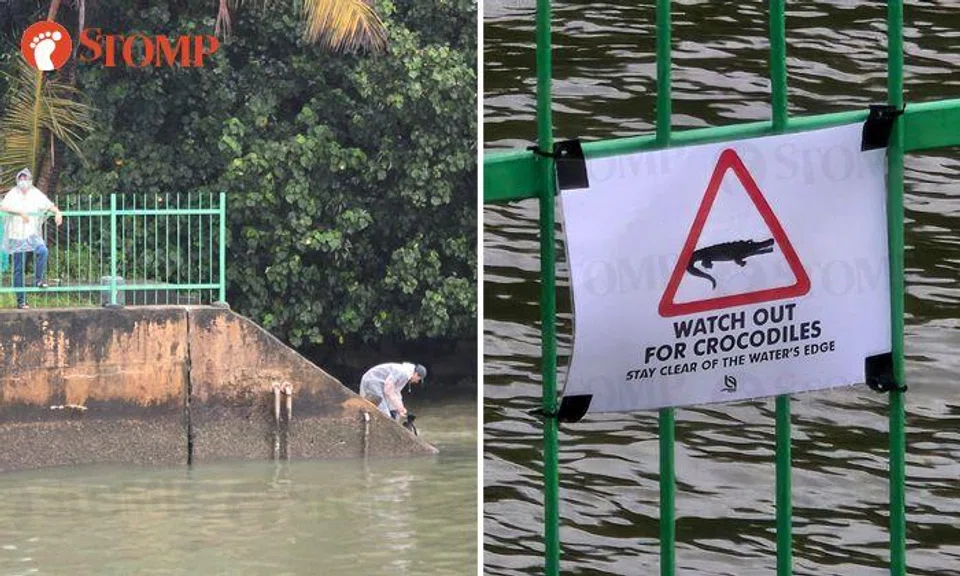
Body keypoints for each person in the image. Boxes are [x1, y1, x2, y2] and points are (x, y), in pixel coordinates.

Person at [1, 168, 62, 309]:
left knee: (42, 251)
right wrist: (19, 212)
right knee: (18, 269)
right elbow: (3, 206)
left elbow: (49, 205)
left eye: (25, 178)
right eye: (20, 179)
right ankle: (21, 300)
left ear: (30, 180)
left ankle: (38, 279)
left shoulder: (35, 194)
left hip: (31, 234)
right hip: (16, 236)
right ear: (17, 180)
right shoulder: (13, 194)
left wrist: (58, 212)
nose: (23, 181)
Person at [358, 362, 427, 421]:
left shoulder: (405, 372)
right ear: (416, 374)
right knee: (385, 415)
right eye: (419, 379)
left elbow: (396, 392)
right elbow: (388, 390)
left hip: (376, 383)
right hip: (372, 381)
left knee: (392, 412)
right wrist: (399, 408)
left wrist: (400, 408)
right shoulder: (404, 374)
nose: (417, 381)